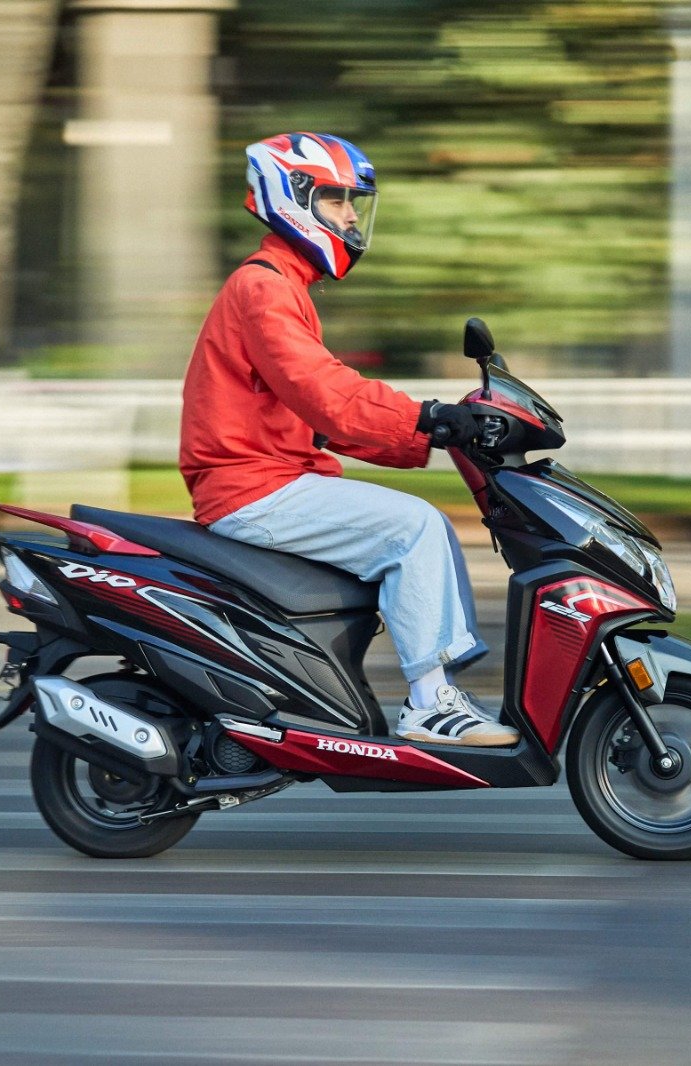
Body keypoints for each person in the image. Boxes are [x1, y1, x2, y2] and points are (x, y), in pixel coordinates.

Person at [178, 131, 519, 748]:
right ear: (296, 195)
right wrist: (427, 417)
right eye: (339, 201)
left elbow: (321, 421)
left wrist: (427, 432)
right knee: (414, 527)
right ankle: (430, 705)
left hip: (271, 477)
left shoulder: (282, 287)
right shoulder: (263, 289)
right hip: (252, 487)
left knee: (411, 523)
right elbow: (326, 393)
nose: (352, 216)